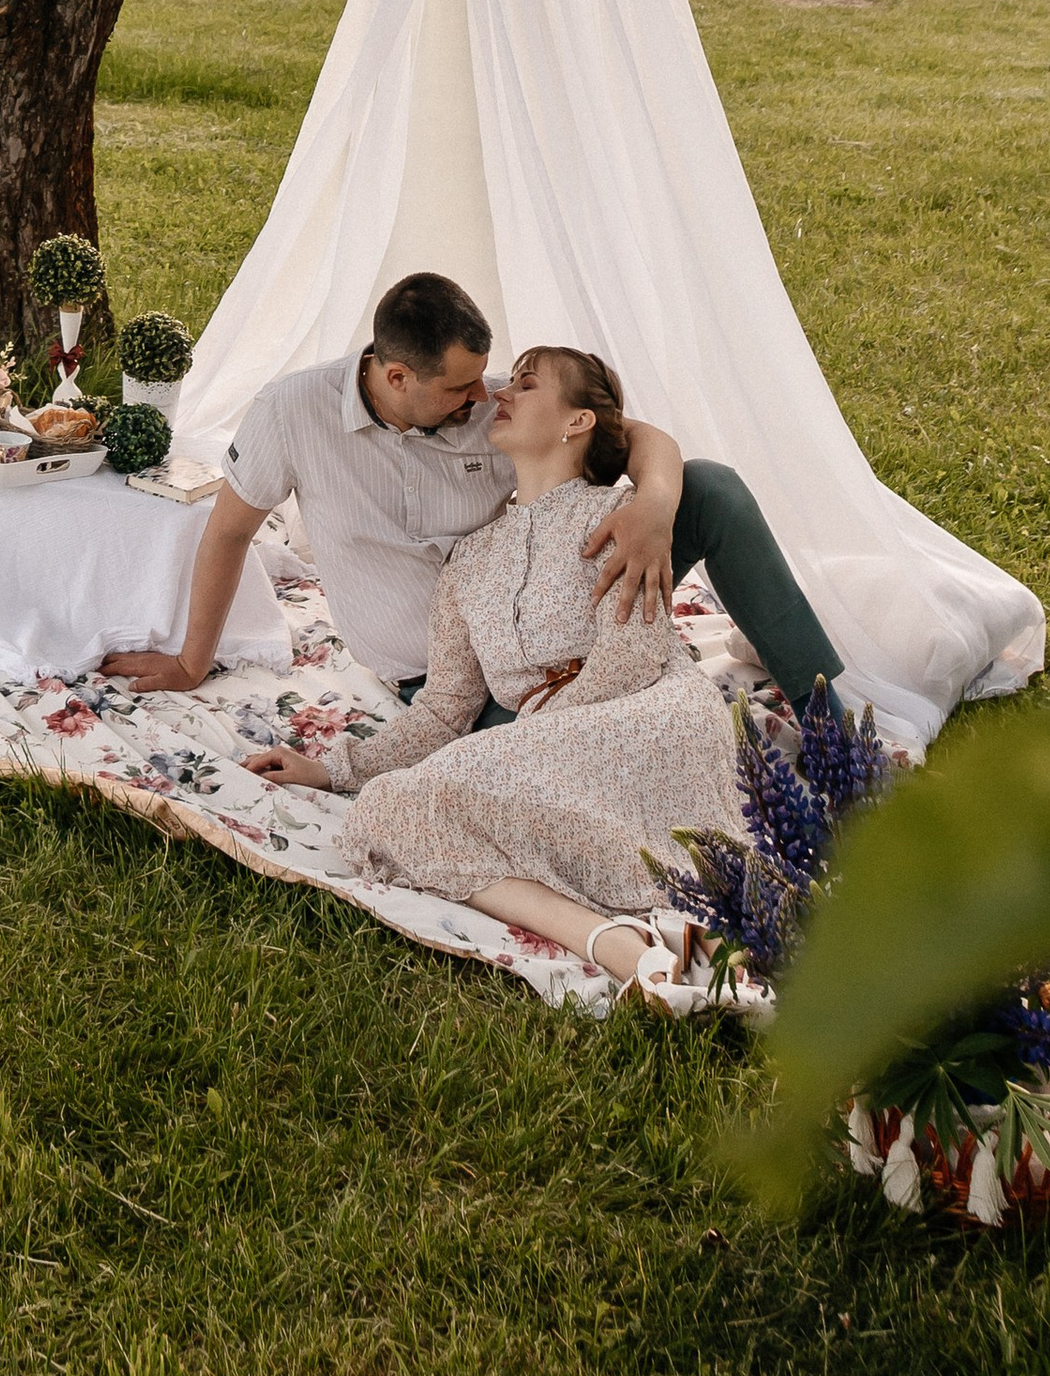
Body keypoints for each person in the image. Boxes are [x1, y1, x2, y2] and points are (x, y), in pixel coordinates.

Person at [241, 344, 760, 1008]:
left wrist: (528, 739)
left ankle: (667, 936)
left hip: (651, 714)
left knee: (443, 793)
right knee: (388, 807)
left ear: (576, 422)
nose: (499, 394)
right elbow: (444, 709)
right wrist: (334, 768)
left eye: (526, 383)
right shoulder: (469, 560)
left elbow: (632, 656)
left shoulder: (622, 516)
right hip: (552, 744)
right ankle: (619, 943)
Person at [100, 268, 842, 715]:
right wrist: (191, 662)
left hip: (560, 627)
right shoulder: (292, 413)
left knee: (710, 489)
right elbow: (229, 532)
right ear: (397, 376)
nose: (483, 396)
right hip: (452, 682)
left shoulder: (494, 411)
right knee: (552, 765)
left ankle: (828, 721)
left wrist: (652, 505)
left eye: (485, 379)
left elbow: (639, 435)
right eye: (460, 387)